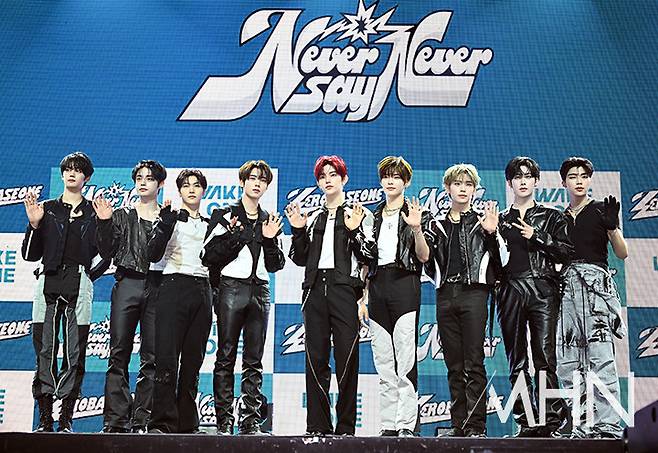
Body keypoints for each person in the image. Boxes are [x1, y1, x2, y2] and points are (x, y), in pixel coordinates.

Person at [286, 155, 376, 437]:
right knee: (315, 360)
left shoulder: (360, 214)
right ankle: (317, 426)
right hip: (314, 291)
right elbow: (299, 257)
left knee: (347, 359)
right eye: (322, 176)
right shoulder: (313, 216)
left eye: (333, 174)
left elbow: (369, 255)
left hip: (344, 291)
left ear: (344, 179)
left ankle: (346, 428)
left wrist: (354, 230)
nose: (328, 180)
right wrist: (297, 230)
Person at [22, 152, 108, 432]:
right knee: (45, 349)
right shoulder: (46, 209)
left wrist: (88, 275)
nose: (71, 173)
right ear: (62, 175)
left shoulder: (95, 212)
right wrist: (34, 225)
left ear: (87, 177)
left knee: (75, 351)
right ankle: (45, 418)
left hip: (78, 282)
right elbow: (29, 254)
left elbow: (107, 254)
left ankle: (67, 419)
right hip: (47, 280)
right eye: (67, 169)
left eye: (77, 170)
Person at [202, 160, 285, 435]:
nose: (257, 183)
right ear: (242, 182)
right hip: (231, 288)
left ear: (267, 186)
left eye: (262, 179)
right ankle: (224, 421)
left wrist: (269, 239)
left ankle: (250, 421)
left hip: (260, 290)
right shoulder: (224, 214)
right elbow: (207, 256)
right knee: (225, 356)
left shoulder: (269, 219)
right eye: (252, 178)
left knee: (254, 359)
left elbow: (276, 265)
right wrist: (235, 237)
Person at [425, 163, 506, 438]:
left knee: (474, 362)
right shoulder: (436, 225)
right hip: (445, 295)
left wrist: (492, 234)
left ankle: (476, 426)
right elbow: (427, 264)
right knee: (453, 365)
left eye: (468, 184)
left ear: (475, 190)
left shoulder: (484, 222)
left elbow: (501, 265)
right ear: (447, 188)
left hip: (474, 295)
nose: (463, 189)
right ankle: (459, 424)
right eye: (457, 184)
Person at [497, 156, 572, 437]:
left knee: (544, 357)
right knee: (516, 360)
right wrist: (491, 233)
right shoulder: (500, 220)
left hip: (543, 290)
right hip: (510, 291)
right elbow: (491, 261)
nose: (523, 181)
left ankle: (550, 421)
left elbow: (566, 252)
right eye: (517, 177)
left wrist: (536, 235)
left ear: (537, 181)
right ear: (509, 183)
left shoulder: (552, 217)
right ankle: (526, 420)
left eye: (528, 176)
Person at [94, 160, 167, 433]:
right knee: (118, 353)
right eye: (139, 178)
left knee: (152, 356)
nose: (143, 182)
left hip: (158, 286)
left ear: (160, 184)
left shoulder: (168, 217)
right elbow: (106, 250)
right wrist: (104, 223)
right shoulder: (122, 215)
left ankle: (143, 421)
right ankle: (115, 420)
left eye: (149, 178)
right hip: (127, 284)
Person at [557, 157, 627, 438]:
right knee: (569, 361)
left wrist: (612, 227)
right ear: (563, 182)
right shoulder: (558, 218)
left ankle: (608, 424)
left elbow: (622, 253)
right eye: (573, 176)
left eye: (584, 176)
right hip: (566, 288)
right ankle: (580, 424)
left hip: (596, 288)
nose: (579, 181)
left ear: (589, 180)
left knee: (601, 358)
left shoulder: (601, 210)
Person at [365, 156, 430, 437]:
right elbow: (366, 262)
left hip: (405, 284)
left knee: (405, 359)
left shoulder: (416, 213)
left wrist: (416, 227)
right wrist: (362, 297)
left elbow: (424, 256)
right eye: (386, 176)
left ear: (406, 181)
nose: (390, 181)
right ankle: (388, 425)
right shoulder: (372, 216)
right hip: (377, 287)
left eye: (396, 176)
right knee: (383, 360)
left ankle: (406, 424)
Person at [146, 169, 212, 434]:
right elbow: (152, 254)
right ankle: (161, 422)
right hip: (173, 286)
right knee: (167, 358)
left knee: (193, 360)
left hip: (203, 289)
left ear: (204, 190)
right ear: (179, 190)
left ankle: (187, 422)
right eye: (186, 185)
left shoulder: (211, 223)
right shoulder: (169, 218)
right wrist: (164, 223)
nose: (192, 189)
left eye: (196, 185)